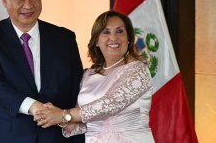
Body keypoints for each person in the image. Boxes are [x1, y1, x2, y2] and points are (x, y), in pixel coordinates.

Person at [0, 0, 85, 143]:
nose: (28, 5)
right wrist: (33, 107)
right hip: (8, 135)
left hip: (56, 136)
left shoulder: (64, 38)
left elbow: (77, 89)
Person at [33, 10, 155, 143]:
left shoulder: (138, 70)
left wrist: (62, 115)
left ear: (129, 39)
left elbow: (109, 104)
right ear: (96, 41)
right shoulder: (88, 75)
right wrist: (57, 117)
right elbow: (82, 125)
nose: (113, 38)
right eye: (106, 32)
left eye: (120, 31)